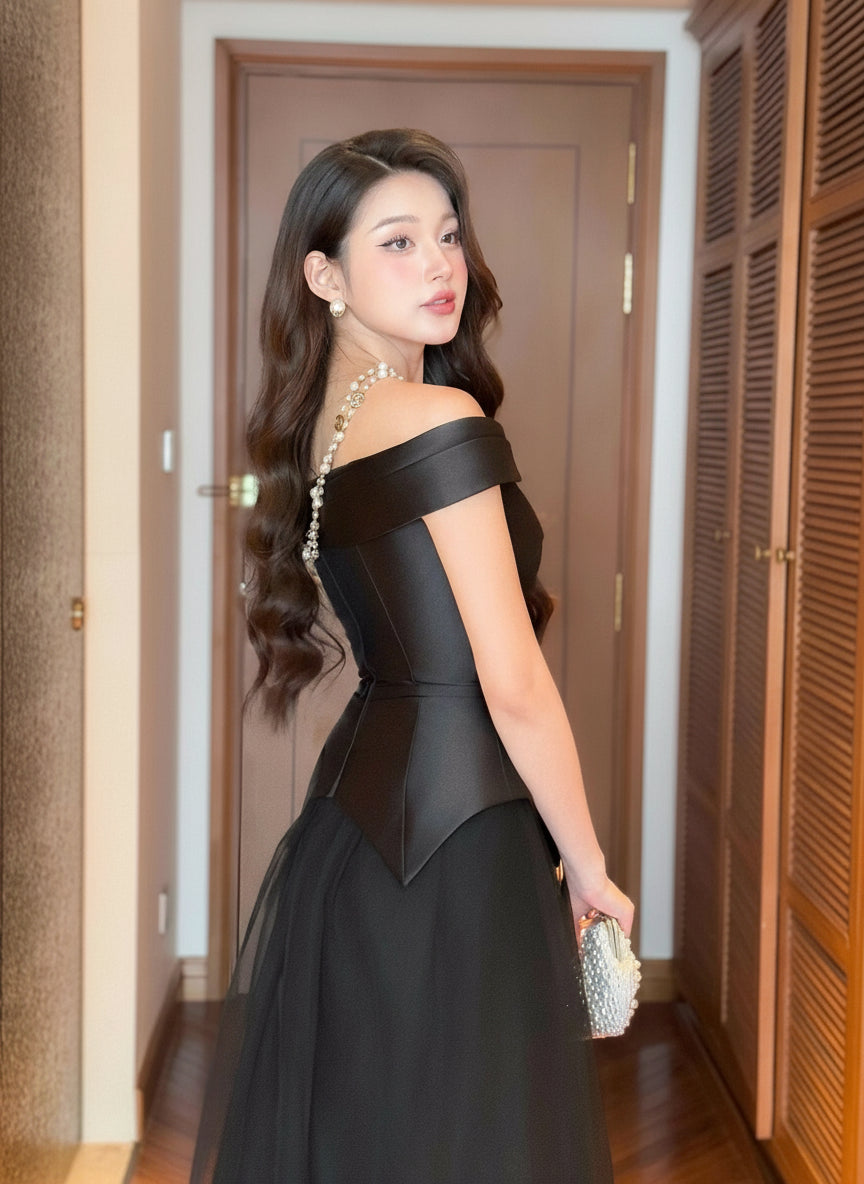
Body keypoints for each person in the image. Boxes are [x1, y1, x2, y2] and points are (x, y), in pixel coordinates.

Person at [191, 127, 634, 1184]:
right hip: (464, 849)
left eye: (448, 235)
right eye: (397, 241)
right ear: (323, 272)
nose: (441, 264)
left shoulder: (320, 428)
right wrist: (588, 865)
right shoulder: (438, 415)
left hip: (351, 835)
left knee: (376, 1138)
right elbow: (513, 683)